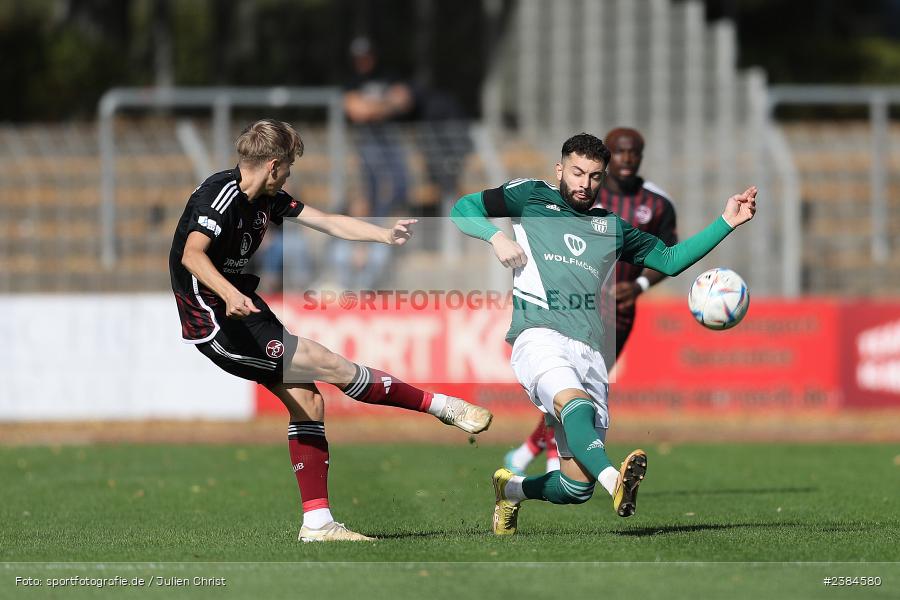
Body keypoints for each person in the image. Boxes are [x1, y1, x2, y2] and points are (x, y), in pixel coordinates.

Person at [169, 119, 492, 543]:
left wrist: (381, 233)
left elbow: (324, 220)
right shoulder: (220, 195)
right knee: (329, 364)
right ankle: (440, 407)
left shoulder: (267, 197)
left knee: (308, 401)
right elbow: (192, 255)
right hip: (214, 321)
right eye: (288, 167)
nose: (289, 175)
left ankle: (318, 525)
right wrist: (228, 294)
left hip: (242, 310)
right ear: (273, 165)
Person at [450, 133, 756, 534]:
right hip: (538, 334)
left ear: (603, 178)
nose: (584, 183)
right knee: (572, 404)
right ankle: (616, 479)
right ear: (560, 169)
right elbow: (463, 207)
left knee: (575, 488)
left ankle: (511, 491)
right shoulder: (530, 196)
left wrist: (726, 222)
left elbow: (669, 259)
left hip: (590, 348)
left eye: (594, 176)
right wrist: (496, 236)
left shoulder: (611, 227)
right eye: (577, 172)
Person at [503, 127, 678, 476]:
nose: (628, 159)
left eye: (634, 153)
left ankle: (542, 457)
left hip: (619, 313)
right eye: (621, 152)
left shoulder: (656, 203)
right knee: (568, 390)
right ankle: (549, 456)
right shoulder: (579, 197)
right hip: (573, 309)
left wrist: (641, 284)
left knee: (576, 393)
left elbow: (668, 255)